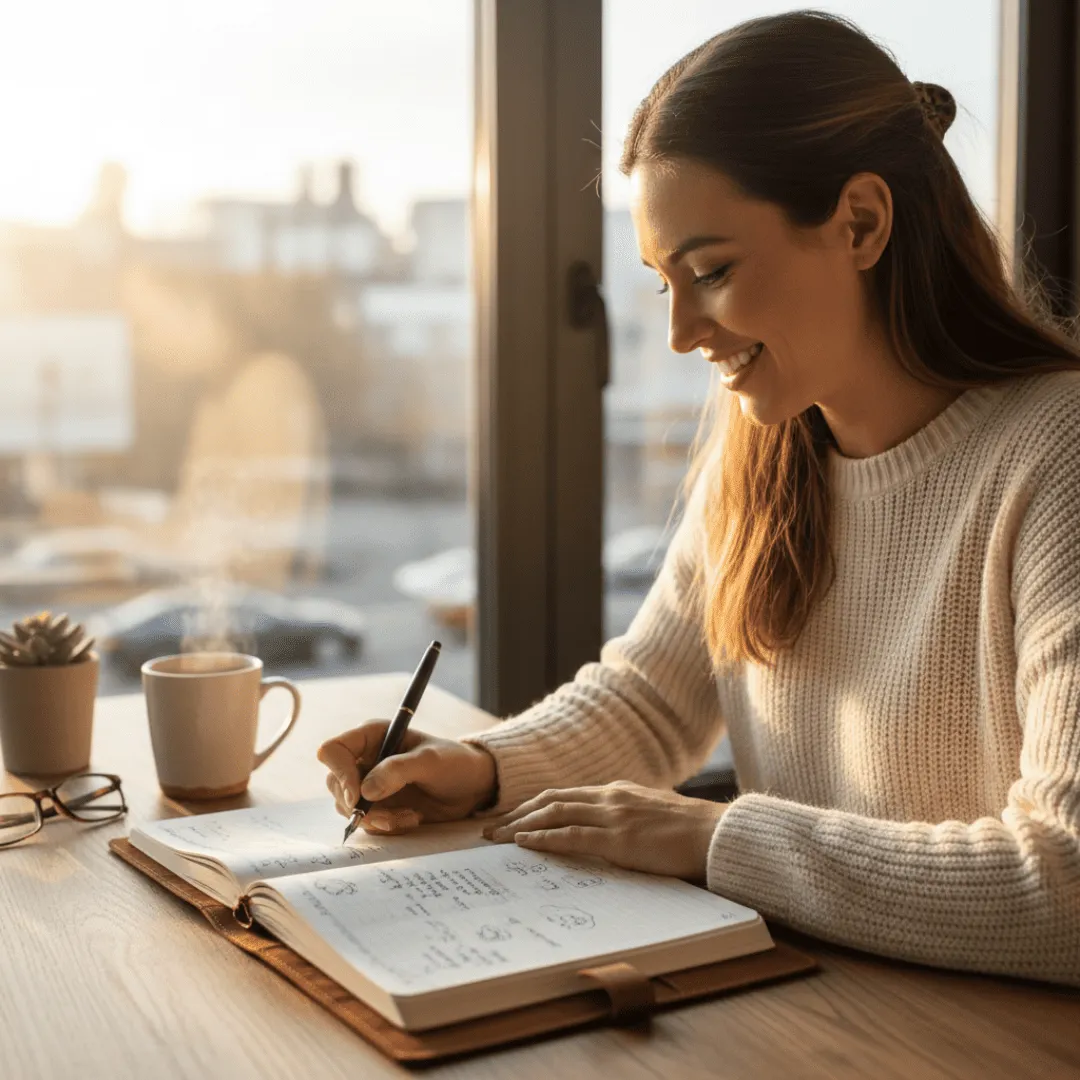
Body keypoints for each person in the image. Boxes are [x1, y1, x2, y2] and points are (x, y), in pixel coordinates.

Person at [318, 10, 1080, 987]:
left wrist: (716, 842)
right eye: (662, 282)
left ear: (861, 223)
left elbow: (1063, 883)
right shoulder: (764, 448)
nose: (680, 333)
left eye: (712, 273)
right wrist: (484, 768)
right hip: (803, 1009)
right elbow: (649, 702)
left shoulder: (1054, 457)